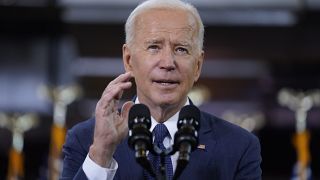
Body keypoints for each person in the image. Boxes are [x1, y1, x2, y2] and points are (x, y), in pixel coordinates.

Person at [61, 0, 262, 179]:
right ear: (129, 60)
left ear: (198, 66)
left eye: (181, 49)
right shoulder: (85, 139)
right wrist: (102, 154)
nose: (167, 63)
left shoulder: (239, 146)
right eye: (154, 47)